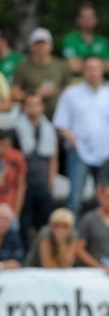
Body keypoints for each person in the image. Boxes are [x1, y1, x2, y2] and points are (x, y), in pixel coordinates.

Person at [53, 55, 109, 217]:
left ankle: (98, 237)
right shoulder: (71, 94)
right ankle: (69, 239)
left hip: (104, 153)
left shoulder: (108, 95)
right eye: (89, 69)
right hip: (78, 152)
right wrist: (73, 140)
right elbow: (60, 124)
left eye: (96, 68)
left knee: (103, 198)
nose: (92, 72)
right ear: (83, 71)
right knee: (75, 198)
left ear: (102, 71)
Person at [14, 94, 58, 247]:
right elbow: (16, 158)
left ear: (42, 107)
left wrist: (51, 180)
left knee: (44, 222)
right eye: (29, 104)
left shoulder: (48, 128)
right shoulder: (18, 129)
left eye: (36, 104)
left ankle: (43, 253)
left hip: (43, 180)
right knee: (24, 222)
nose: (33, 108)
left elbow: (53, 157)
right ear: (24, 107)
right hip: (25, 181)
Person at [11, 27, 70, 119]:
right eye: (37, 44)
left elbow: (68, 88)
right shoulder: (22, 67)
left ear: (51, 46)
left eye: (44, 44)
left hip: (58, 114)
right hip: (31, 116)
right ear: (31, 46)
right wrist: (35, 94)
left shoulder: (61, 65)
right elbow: (14, 94)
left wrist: (57, 92)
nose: (41, 47)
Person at [62, 2, 109, 76]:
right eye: (85, 17)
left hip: (99, 83)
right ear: (78, 20)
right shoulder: (70, 40)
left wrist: (81, 63)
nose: (88, 20)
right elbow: (73, 67)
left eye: (91, 17)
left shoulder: (103, 41)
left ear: (96, 19)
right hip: (77, 82)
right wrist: (98, 65)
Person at [0, 130, 26, 219]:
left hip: (10, 201)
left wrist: (16, 211)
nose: (3, 148)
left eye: (6, 145)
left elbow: (21, 186)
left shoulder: (17, 157)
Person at [0, 203, 24, 270]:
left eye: (5, 219)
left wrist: (2, 265)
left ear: (10, 222)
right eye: (0, 218)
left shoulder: (13, 236)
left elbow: (19, 260)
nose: (2, 223)